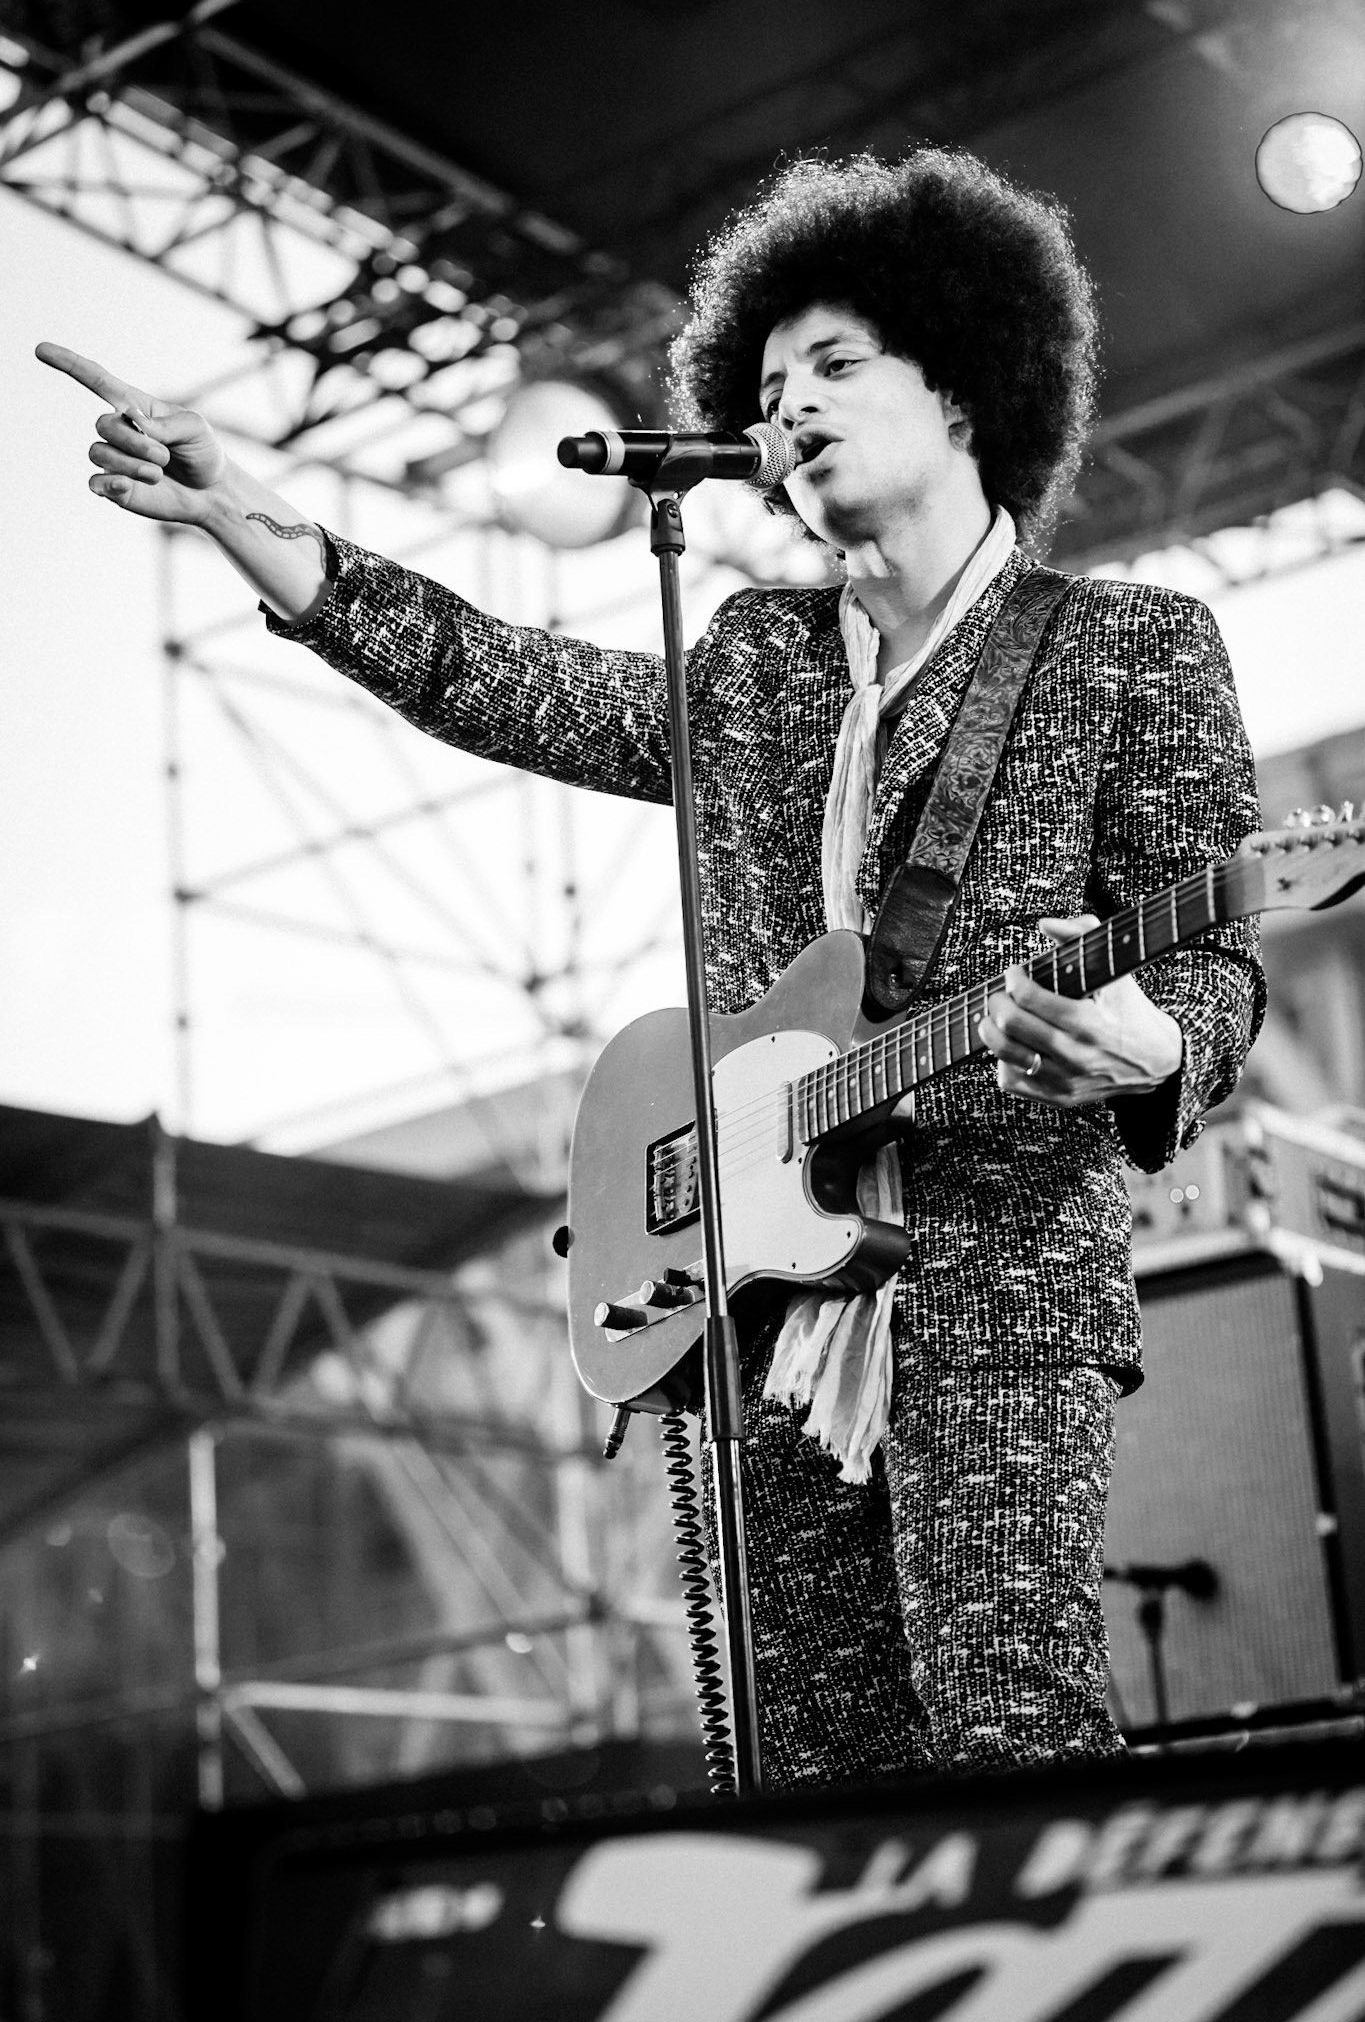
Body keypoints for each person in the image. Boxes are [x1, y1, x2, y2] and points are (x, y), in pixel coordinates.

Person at [40, 147, 1263, 1789]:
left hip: (992, 1276)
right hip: (754, 1291)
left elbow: (1218, 956)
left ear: (966, 389)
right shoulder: (757, 658)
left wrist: (1143, 1045)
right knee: (809, 1780)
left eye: (837, 363)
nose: (794, 403)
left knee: (1007, 1735)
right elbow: (507, 682)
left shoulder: (1127, 646)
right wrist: (254, 516)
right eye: (768, 383)